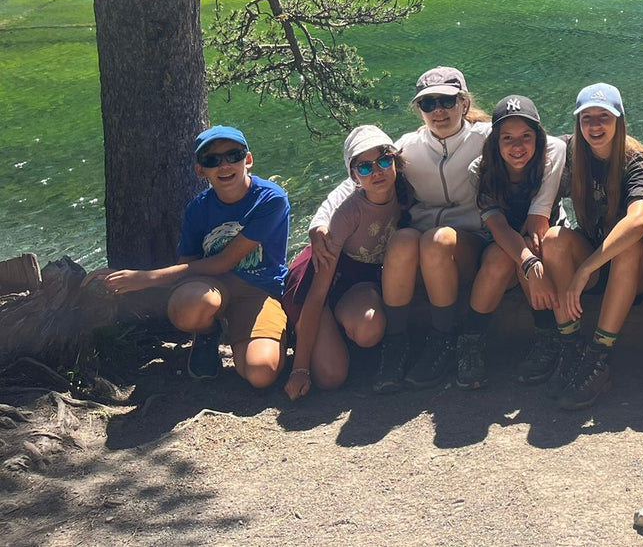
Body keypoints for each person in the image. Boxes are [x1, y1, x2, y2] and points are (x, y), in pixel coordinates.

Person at [85, 126, 290, 388]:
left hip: (258, 291)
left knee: (261, 374)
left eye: (233, 156)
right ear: (200, 170)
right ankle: (207, 332)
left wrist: (144, 279)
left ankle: (256, 333)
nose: (224, 165)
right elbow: (187, 266)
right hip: (212, 287)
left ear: (247, 160)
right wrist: (122, 279)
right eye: (212, 160)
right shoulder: (198, 208)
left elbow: (223, 261)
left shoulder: (271, 199)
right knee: (189, 305)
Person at [373, 66, 491, 393]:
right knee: (401, 241)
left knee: (437, 240)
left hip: (469, 243)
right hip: (423, 247)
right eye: (428, 104)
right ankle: (396, 345)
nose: (438, 110)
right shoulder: (407, 147)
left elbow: (547, 146)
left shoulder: (488, 138)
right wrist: (323, 222)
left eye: (446, 101)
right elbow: (360, 177)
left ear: (464, 104)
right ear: (419, 110)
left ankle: (443, 339)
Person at [538, 83, 643, 410]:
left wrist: (585, 269)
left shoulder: (635, 160)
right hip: (591, 262)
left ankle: (598, 356)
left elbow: (639, 220)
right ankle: (570, 346)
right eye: (586, 118)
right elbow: (524, 158)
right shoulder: (567, 152)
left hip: (629, 272)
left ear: (620, 120)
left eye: (604, 116)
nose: (595, 126)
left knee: (629, 244)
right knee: (554, 240)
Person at [282, 125, 407, 400]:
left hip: (361, 280)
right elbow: (316, 294)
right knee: (330, 378)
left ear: (395, 160)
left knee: (368, 328)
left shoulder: (408, 195)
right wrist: (300, 369)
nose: (377, 171)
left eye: (384, 160)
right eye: (364, 167)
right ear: (353, 175)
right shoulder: (348, 212)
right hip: (318, 279)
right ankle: (303, 334)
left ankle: (337, 335)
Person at [456, 94, 568, 391]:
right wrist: (528, 262)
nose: (518, 147)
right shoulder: (479, 171)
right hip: (505, 245)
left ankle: (547, 337)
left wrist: (530, 257)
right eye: (507, 138)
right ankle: (470, 341)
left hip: (546, 238)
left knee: (533, 245)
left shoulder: (553, 154)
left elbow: (538, 223)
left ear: (539, 137)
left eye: (526, 137)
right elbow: (497, 225)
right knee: (503, 256)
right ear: (495, 141)